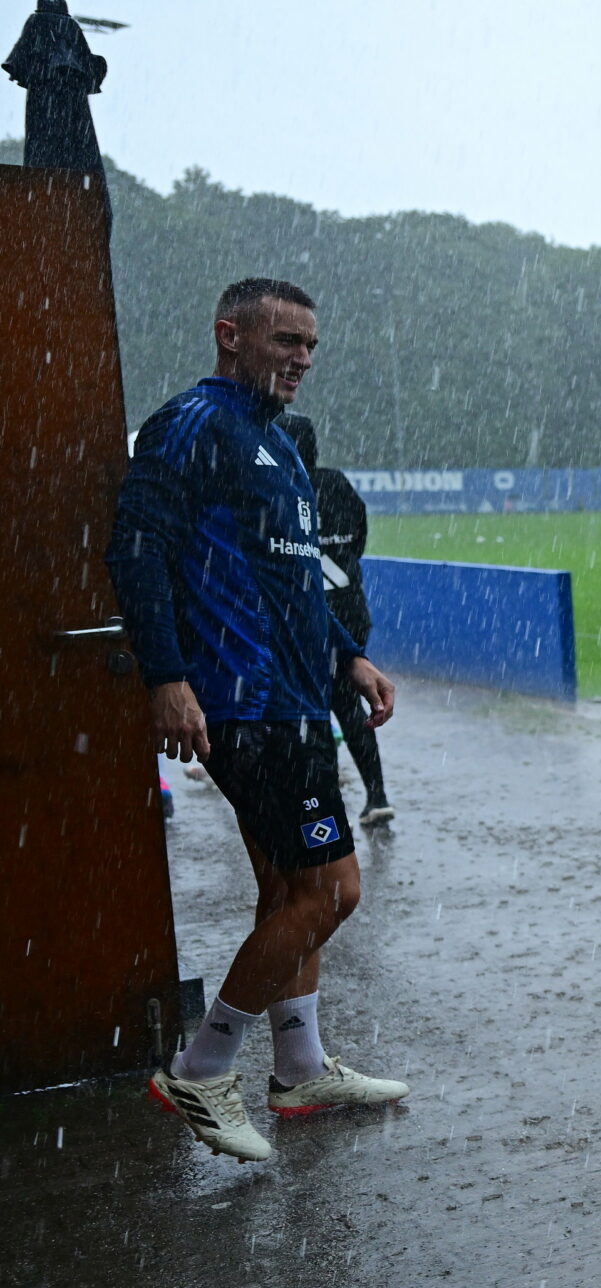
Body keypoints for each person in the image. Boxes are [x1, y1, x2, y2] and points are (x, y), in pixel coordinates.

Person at [106, 277, 411, 1164]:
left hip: (296, 699)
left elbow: (293, 583)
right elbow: (136, 549)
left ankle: (301, 1068)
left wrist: (347, 655)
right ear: (229, 334)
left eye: (311, 346)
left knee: (288, 892)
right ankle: (203, 1069)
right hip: (246, 707)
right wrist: (167, 678)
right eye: (286, 342)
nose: (302, 360)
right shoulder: (191, 425)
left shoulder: (277, 445)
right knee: (331, 892)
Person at [277, 411, 394, 827]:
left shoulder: (280, 487)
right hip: (351, 611)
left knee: (310, 714)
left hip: (307, 619)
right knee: (350, 705)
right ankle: (376, 794)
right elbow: (359, 537)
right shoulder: (337, 484)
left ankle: (326, 808)